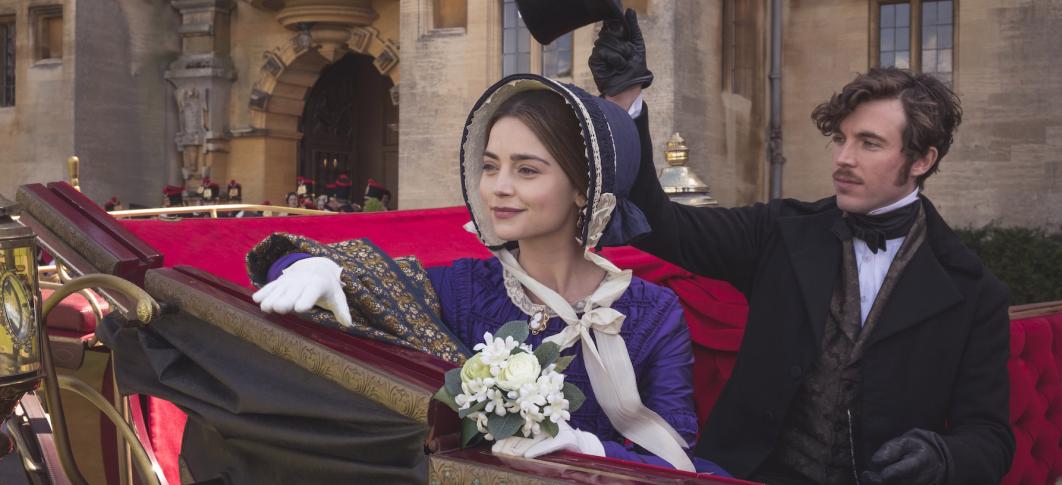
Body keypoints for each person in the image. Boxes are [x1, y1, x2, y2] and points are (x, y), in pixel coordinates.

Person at [588, 10, 1013, 485]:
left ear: (922, 160)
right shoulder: (781, 230)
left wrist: (942, 457)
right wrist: (625, 102)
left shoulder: (973, 291)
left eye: (869, 143)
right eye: (840, 139)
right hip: (750, 475)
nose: (843, 158)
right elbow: (661, 227)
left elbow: (991, 437)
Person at [247, 75, 727, 474]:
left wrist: (584, 446)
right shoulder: (461, 288)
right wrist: (310, 264)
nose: (499, 188)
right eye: (490, 165)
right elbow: (362, 281)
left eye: (528, 170)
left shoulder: (652, 312)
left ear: (585, 188)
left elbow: (673, 458)